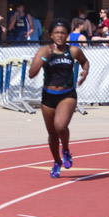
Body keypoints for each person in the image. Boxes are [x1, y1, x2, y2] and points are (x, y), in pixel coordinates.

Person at [28, 18, 89, 178]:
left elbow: (85, 62)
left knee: (60, 126)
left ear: (67, 34)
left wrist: (84, 73)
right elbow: (31, 73)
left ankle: (66, 150)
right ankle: (57, 161)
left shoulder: (73, 51)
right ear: (51, 34)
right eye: (56, 33)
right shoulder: (43, 51)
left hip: (67, 94)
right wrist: (44, 59)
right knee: (52, 134)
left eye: (63, 33)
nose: (60, 36)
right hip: (48, 96)